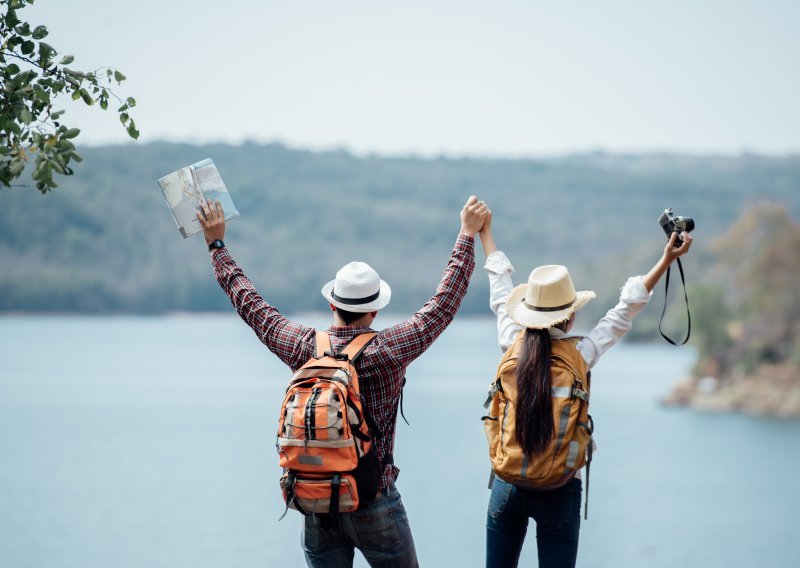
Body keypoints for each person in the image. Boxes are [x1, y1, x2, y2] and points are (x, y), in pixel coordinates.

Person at [196, 196, 489, 568]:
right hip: (373, 499)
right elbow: (443, 303)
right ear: (375, 309)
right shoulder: (387, 350)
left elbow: (251, 305)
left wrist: (216, 244)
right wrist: (467, 234)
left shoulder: (304, 347)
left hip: (316, 499)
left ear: (332, 305)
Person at [477, 211, 692, 568]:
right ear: (571, 316)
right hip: (559, 488)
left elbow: (500, 290)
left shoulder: (511, 342)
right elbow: (624, 312)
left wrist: (486, 234)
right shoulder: (580, 354)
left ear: (528, 312)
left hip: (508, 481)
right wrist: (667, 259)